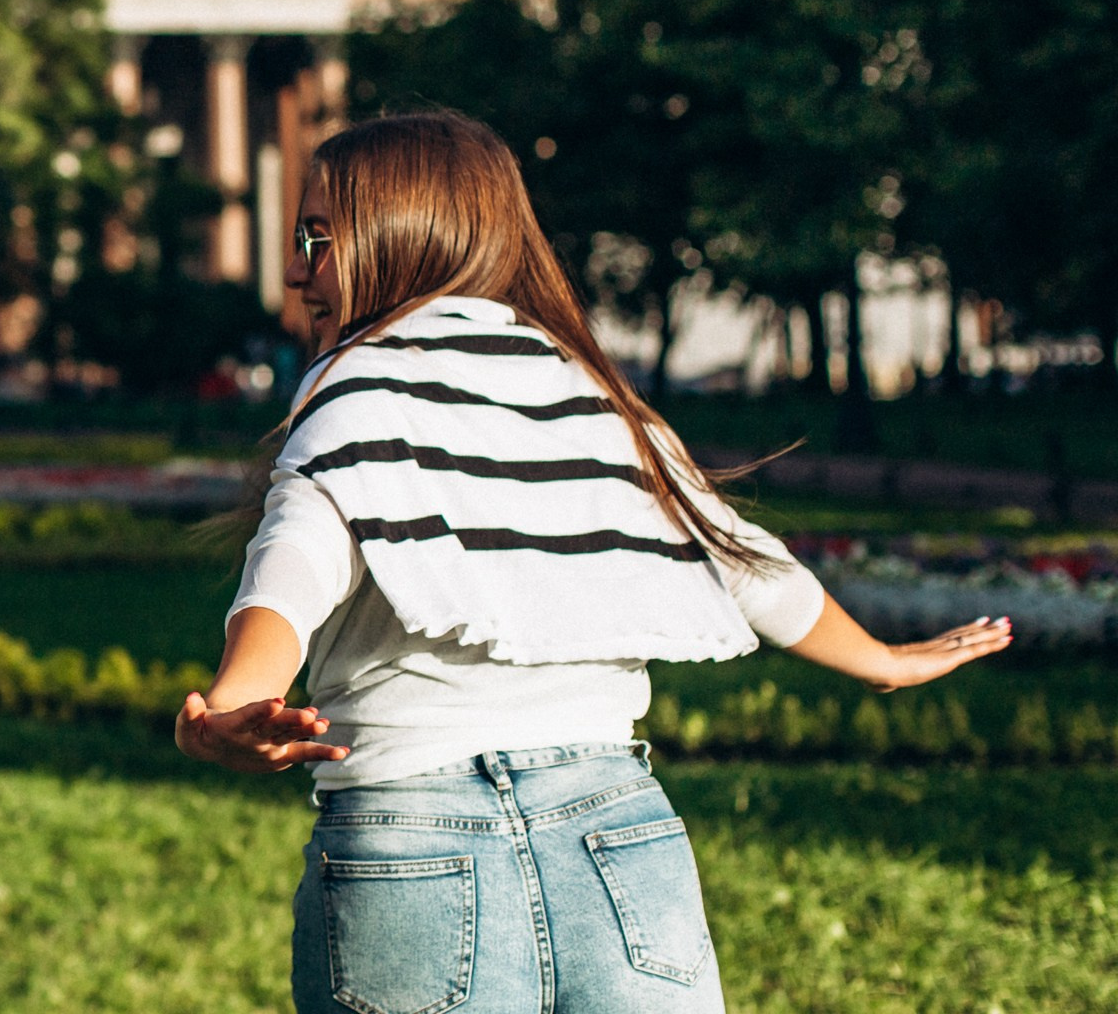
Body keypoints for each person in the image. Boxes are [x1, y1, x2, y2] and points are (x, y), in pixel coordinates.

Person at [174, 111, 1011, 1014]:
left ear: (402, 233)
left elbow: (294, 562)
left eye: (317, 238)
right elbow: (737, 556)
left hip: (412, 847)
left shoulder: (354, 388)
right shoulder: (590, 391)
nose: (297, 269)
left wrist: (227, 705)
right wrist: (882, 662)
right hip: (621, 836)